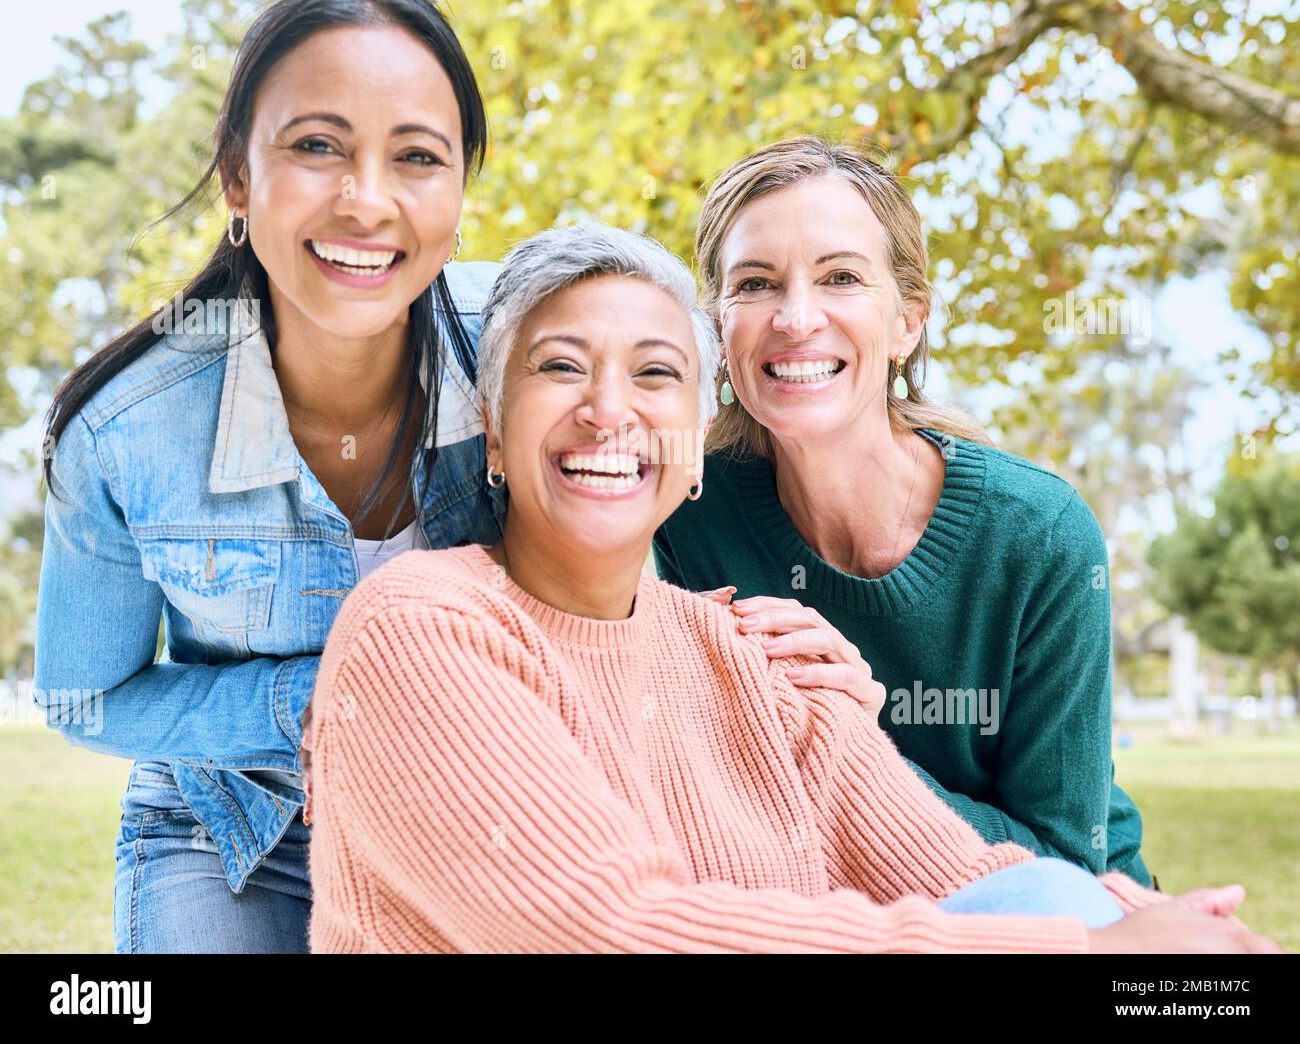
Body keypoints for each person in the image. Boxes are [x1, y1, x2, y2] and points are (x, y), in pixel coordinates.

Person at [303, 222, 1280, 952]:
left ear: (692, 445)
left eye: (655, 374)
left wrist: (1153, 924)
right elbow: (615, 931)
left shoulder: (756, 654)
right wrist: (1081, 950)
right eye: (560, 368)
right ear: (494, 424)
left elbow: (968, 876)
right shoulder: (421, 628)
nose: (609, 410)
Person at [33, 0, 503, 953]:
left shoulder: (528, 348)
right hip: (232, 825)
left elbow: (697, 380)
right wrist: (315, 699)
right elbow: (85, 695)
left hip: (473, 814)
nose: (366, 199)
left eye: (417, 156)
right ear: (239, 178)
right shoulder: (128, 429)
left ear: (460, 192)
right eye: (317, 145)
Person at [655, 135, 1153, 886]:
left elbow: (1066, 867)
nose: (795, 317)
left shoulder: (1038, 534)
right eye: (755, 283)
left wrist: (855, 745)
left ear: (907, 323)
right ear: (718, 326)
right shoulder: (681, 510)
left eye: (841, 277)